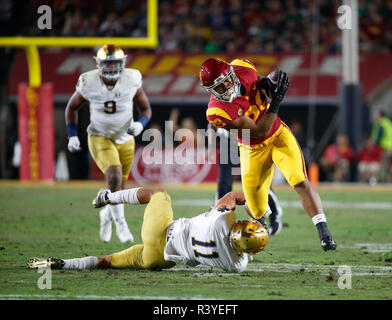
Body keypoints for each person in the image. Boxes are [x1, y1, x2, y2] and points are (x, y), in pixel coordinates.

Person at [199, 58, 336, 251]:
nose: (227, 86)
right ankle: (264, 220)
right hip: (252, 147)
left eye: (227, 80)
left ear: (231, 72)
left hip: (278, 135)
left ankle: (324, 231)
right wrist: (278, 100)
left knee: (298, 179)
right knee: (256, 209)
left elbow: (262, 84)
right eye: (220, 87)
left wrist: (271, 84)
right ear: (211, 90)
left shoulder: (243, 67)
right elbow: (259, 131)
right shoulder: (217, 111)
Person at [28, 188, 269, 273]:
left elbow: (231, 197)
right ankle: (59, 264)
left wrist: (256, 211)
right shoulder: (237, 265)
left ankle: (109, 197)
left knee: (159, 193)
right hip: (162, 260)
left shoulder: (221, 222)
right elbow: (244, 250)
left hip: (162, 232)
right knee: (109, 262)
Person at [65, 44, 152, 243]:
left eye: (115, 62)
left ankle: (106, 216)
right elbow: (71, 107)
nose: (112, 66)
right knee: (114, 175)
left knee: (118, 188)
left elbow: (145, 108)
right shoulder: (89, 81)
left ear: (123, 63)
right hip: (99, 136)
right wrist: (72, 135)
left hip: (126, 137)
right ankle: (121, 224)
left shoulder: (131, 78)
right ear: (99, 63)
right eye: (108, 63)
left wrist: (141, 124)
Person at [209, 125, 283, 236]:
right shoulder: (218, 109)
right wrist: (214, 139)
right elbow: (213, 125)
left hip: (250, 140)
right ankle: (219, 216)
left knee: (258, 182)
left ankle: (274, 215)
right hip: (228, 142)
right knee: (224, 183)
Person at [371, 111, 392, 183]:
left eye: (377, 115)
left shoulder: (382, 123)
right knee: (386, 165)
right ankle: (386, 181)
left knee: (384, 165)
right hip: (390, 147)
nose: (376, 117)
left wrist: (374, 142)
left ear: (380, 115)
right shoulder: (388, 122)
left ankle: (384, 181)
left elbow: (379, 134)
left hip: (387, 147)